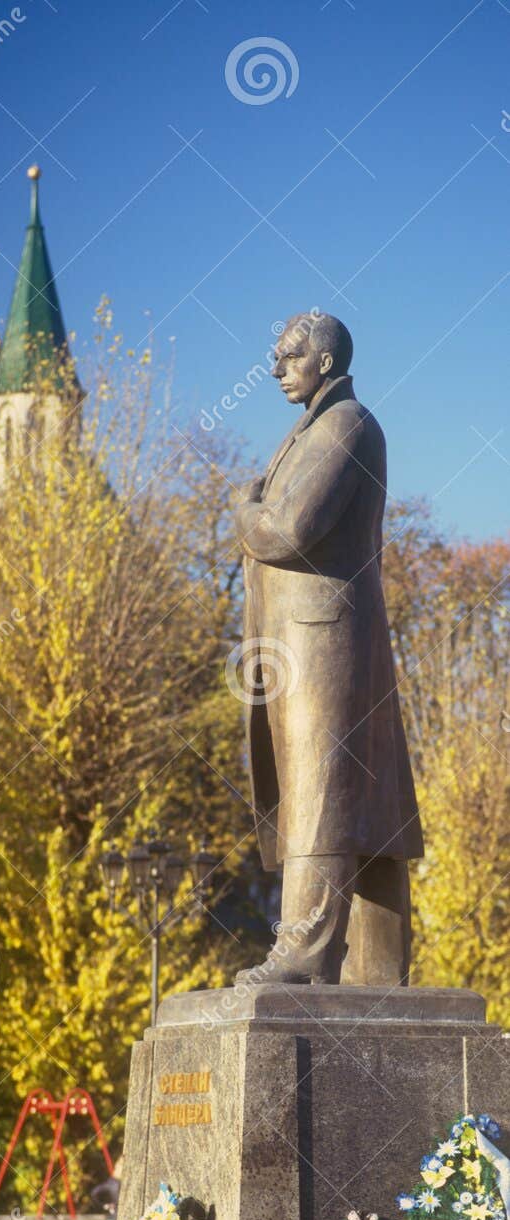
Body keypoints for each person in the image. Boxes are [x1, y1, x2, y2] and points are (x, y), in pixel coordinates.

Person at [235, 311, 423, 987]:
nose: (276, 366)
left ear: (322, 360)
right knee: (360, 796)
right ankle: (377, 968)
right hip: (310, 639)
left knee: (322, 790)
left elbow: (287, 529)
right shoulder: (315, 426)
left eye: (287, 355)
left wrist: (244, 509)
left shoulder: (344, 425)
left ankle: (303, 951)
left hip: (324, 639)